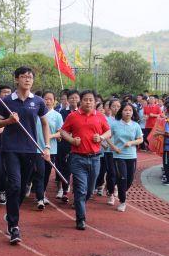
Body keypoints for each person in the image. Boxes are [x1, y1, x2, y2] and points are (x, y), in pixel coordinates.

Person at [0, 66, 51, 244]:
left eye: (30, 77)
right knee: (15, 185)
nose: (27, 79)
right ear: (16, 79)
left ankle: (12, 211)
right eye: (24, 77)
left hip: (30, 149)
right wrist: (8, 121)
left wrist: (47, 146)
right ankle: (14, 226)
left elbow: (44, 124)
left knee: (23, 187)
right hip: (11, 149)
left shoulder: (39, 101)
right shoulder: (7, 101)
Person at [60, 90, 111, 229]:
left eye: (91, 100)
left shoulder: (100, 116)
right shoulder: (73, 116)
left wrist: (101, 138)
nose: (88, 102)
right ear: (80, 101)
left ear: (95, 102)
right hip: (78, 158)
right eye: (85, 100)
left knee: (90, 190)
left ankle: (79, 203)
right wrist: (71, 139)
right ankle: (80, 219)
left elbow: (109, 131)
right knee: (81, 190)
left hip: (95, 159)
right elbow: (63, 131)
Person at [105, 101, 143, 212]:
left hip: (131, 156)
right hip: (118, 156)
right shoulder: (115, 124)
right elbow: (107, 136)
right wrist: (113, 147)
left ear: (133, 112)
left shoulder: (135, 125)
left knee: (130, 179)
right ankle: (122, 201)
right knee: (122, 177)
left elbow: (140, 139)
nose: (128, 112)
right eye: (125, 110)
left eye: (130, 110)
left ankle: (121, 190)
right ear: (121, 112)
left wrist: (131, 143)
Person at [33, 90, 64, 210]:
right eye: (46, 98)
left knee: (46, 174)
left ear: (55, 101)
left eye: (51, 99)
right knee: (39, 173)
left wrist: (50, 136)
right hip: (37, 149)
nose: (48, 101)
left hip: (51, 149)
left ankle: (42, 192)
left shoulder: (57, 115)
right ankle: (40, 198)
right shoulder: (36, 114)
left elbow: (60, 132)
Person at [56, 89, 80, 202]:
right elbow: (60, 129)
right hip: (63, 144)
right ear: (67, 100)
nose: (74, 100)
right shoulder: (62, 113)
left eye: (76, 97)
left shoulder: (81, 113)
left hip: (77, 145)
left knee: (74, 169)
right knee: (63, 168)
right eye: (71, 98)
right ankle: (64, 190)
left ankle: (76, 194)